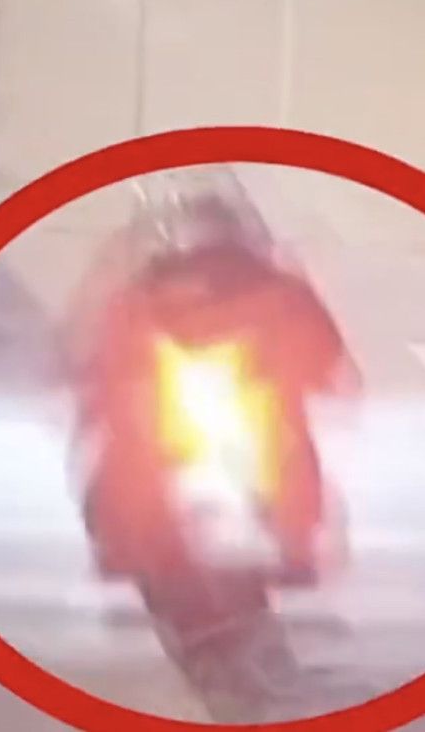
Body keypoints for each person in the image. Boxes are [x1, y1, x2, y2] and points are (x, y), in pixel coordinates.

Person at [69, 189, 362, 584]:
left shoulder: (143, 290)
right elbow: (326, 361)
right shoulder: (277, 287)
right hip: (239, 413)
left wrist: (93, 399)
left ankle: (126, 544)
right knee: (286, 443)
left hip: (189, 418)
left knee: (131, 444)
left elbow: (103, 367)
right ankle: (296, 543)